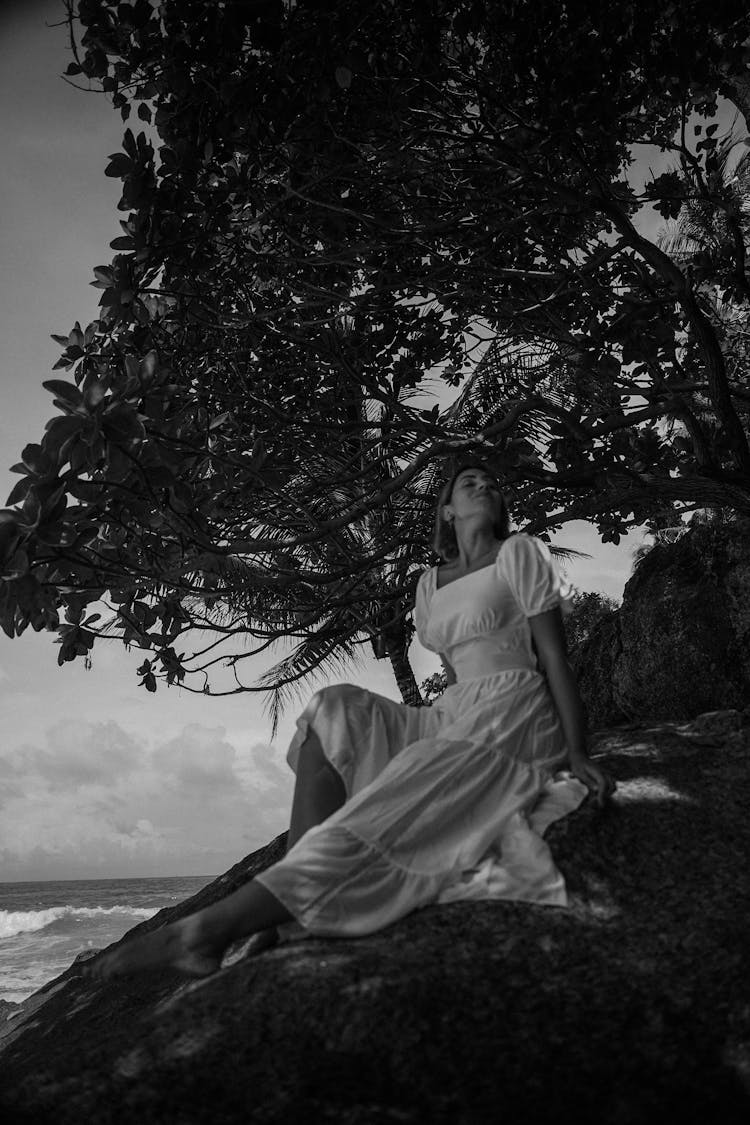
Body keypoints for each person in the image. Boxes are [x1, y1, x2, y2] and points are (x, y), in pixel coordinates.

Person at [89, 460, 615, 980]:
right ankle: (293, 894)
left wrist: (575, 750)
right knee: (334, 709)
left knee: (393, 807)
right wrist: (436, 730)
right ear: (447, 509)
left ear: (499, 507)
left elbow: (553, 659)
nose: (483, 486)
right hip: (457, 713)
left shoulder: (520, 554)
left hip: (515, 713)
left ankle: (202, 933)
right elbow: (455, 679)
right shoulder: (430, 585)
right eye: (468, 483)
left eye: (491, 483)